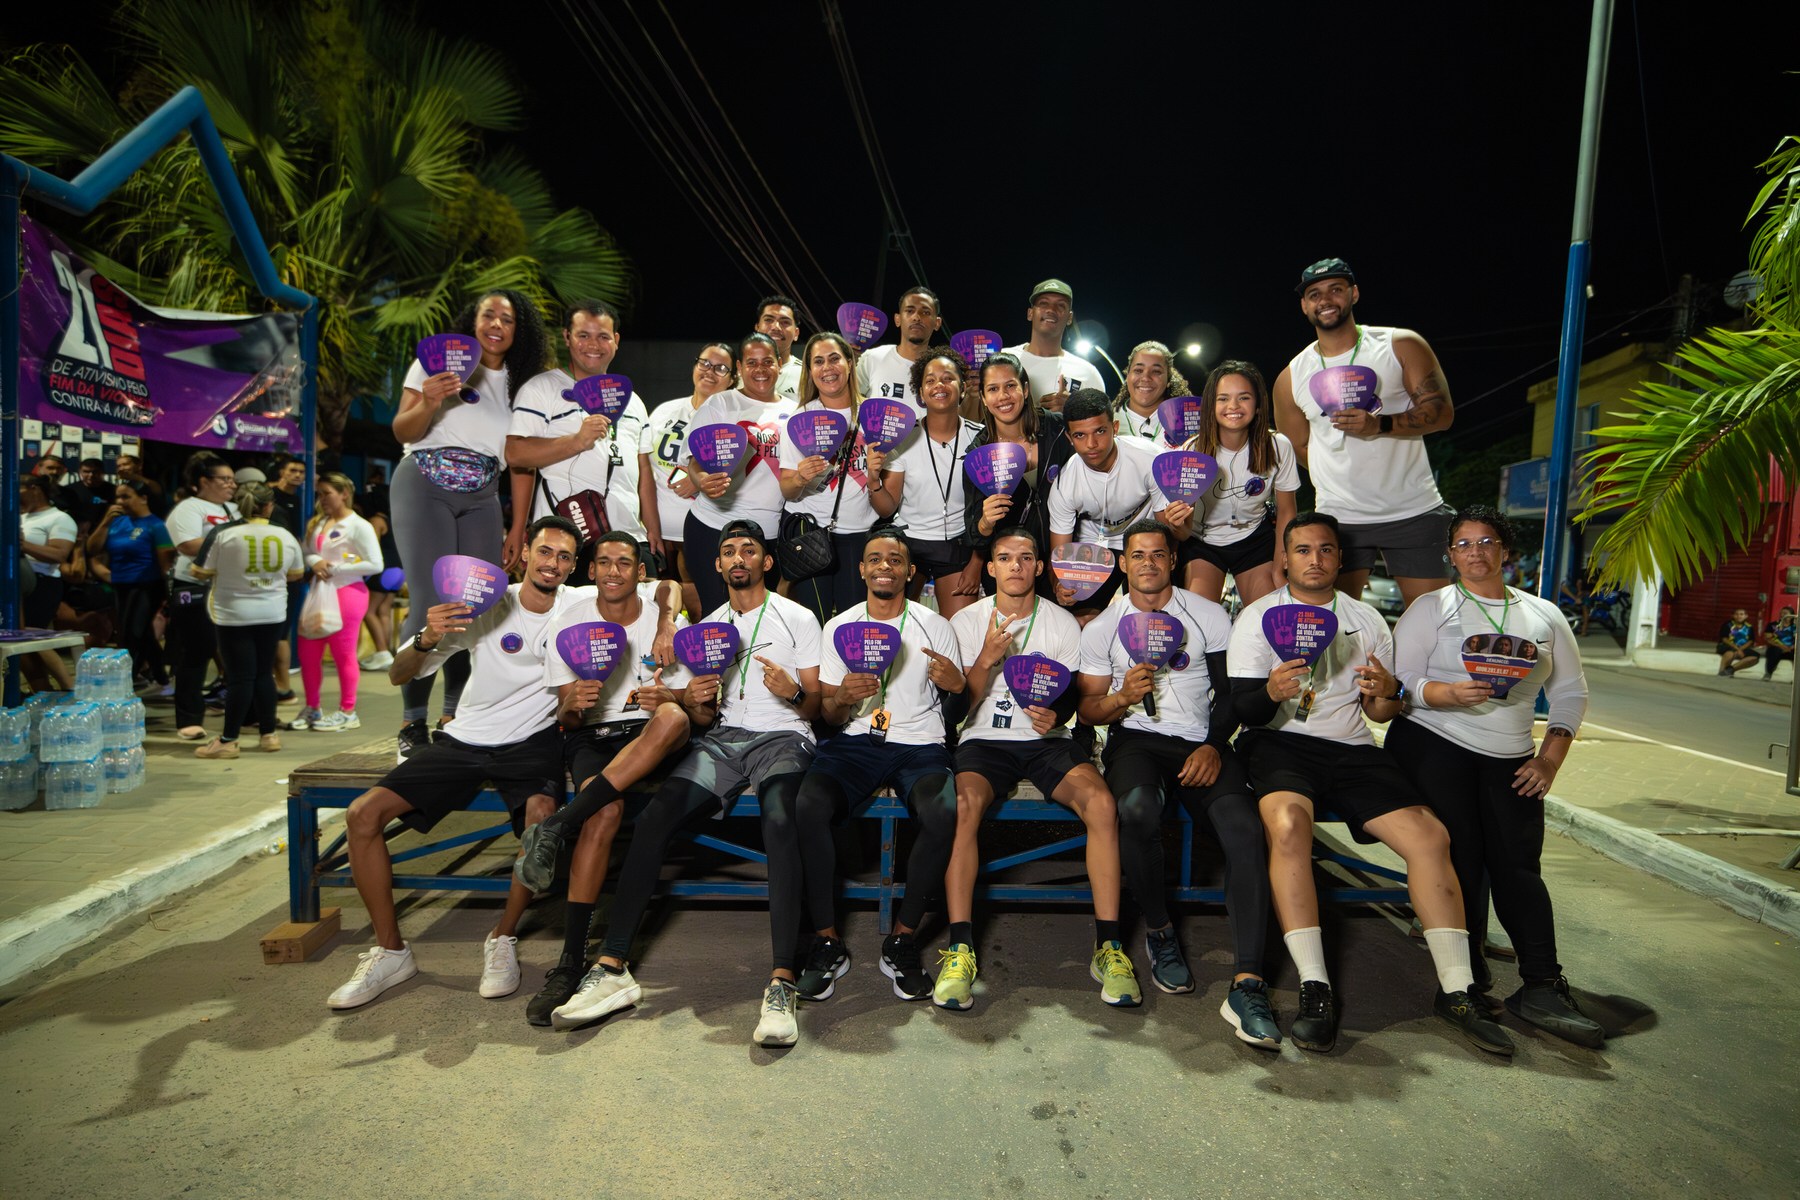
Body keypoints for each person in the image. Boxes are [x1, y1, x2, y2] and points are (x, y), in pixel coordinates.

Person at [1228, 511, 1511, 1056]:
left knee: (1431, 837)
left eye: (1325, 550)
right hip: (1280, 743)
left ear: (1340, 558)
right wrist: (1270, 692)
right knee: (1288, 826)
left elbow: (1380, 712)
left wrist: (1387, 692)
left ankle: (1458, 992)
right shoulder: (1259, 617)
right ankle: (1315, 987)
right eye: (1303, 550)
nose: (1315, 559)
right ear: (1284, 560)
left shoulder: (1367, 618)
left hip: (1353, 748)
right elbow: (1246, 711)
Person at [543, 520, 825, 1044]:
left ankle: (782, 981)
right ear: (717, 565)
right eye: (728, 551)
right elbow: (701, 717)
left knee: (779, 821)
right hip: (722, 742)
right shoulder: (706, 629)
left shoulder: (797, 617)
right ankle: (613, 967)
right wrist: (694, 701)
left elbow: (817, 708)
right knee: (653, 819)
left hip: (784, 738)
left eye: (748, 550)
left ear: (766, 562)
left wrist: (791, 692)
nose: (738, 558)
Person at [326, 516, 585, 1011]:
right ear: (524, 554)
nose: (553, 563)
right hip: (463, 739)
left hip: (532, 742)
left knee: (540, 821)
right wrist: (427, 636)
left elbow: (659, 590)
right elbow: (399, 674)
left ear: (574, 566)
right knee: (362, 814)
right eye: (545, 551)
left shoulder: (580, 604)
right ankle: (391, 952)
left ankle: (502, 938)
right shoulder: (486, 602)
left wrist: (665, 614)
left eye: (564, 556)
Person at [1389, 505, 1604, 1047]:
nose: (1475, 552)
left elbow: (1570, 691)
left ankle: (1542, 986)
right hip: (1435, 742)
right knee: (1459, 858)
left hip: (1512, 756)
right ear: (1450, 554)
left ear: (1505, 550)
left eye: (1486, 541)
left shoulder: (1544, 614)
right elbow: (1400, 680)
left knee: (1518, 867)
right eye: (1463, 544)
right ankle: (1462, 980)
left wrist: (1549, 758)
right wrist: (1445, 693)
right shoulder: (1430, 608)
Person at [1074, 521, 1280, 1039]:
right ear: (1123, 563)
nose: (1148, 563)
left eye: (1158, 554)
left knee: (1244, 830)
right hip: (1136, 741)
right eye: (1138, 555)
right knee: (1137, 811)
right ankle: (1160, 931)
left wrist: (1213, 744)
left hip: (1200, 743)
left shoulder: (1208, 614)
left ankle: (1249, 981)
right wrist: (1122, 697)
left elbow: (1230, 694)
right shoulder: (1102, 627)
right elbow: (1089, 709)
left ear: (1172, 561)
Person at [941, 527, 1139, 1009]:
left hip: (1045, 742)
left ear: (1039, 567)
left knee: (1102, 805)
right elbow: (955, 710)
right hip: (985, 739)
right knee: (963, 807)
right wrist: (986, 660)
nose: (1016, 565)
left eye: (1026, 557)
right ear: (991, 568)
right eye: (1005, 557)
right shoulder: (964, 621)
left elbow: (1068, 697)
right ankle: (960, 949)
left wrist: (1057, 714)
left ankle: (1109, 948)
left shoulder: (1062, 622)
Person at [512, 533, 695, 1027]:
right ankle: (570, 963)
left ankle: (556, 827)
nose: (614, 571)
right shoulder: (569, 623)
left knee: (673, 718)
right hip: (593, 735)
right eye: (605, 562)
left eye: (625, 563)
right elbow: (567, 719)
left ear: (640, 572)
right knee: (605, 810)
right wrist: (572, 705)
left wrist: (670, 696)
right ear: (590, 572)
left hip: (650, 732)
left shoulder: (664, 621)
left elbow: (690, 702)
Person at [785, 528, 965, 1006]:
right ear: (862, 569)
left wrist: (957, 686)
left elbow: (955, 709)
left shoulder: (935, 625)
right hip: (855, 742)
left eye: (895, 559)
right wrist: (841, 698)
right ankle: (827, 942)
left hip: (919, 745)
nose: (885, 565)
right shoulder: (839, 627)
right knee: (808, 805)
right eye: (875, 558)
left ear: (910, 571)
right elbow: (830, 717)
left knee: (944, 812)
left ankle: (902, 939)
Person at [391, 288, 547, 759]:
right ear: (472, 321)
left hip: (483, 494)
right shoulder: (437, 365)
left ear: (519, 330)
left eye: (508, 319)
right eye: (488, 315)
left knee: (474, 604)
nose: (497, 324)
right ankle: (412, 722)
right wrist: (429, 401)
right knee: (430, 602)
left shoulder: (522, 385)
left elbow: (521, 463)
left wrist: (517, 529)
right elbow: (402, 430)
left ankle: (453, 716)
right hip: (425, 483)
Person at [1272, 258, 1456, 609]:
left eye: (1336, 289)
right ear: (1304, 306)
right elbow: (1299, 446)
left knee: (1432, 620)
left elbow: (1442, 414)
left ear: (1354, 294)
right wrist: (1339, 475)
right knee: (1335, 624)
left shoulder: (1399, 344)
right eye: (1314, 294)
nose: (1325, 300)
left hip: (1413, 509)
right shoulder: (1291, 377)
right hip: (1339, 518)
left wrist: (1380, 425)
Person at [505, 300, 649, 579]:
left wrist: (651, 530)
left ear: (616, 340)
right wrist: (577, 441)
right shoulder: (542, 388)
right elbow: (516, 454)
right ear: (567, 337)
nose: (593, 344)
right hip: (564, 540)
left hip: (629, 538)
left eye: (603, 336)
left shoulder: (631, 400)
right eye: (583, 335)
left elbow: (643, 471)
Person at [777, 331, 899, 624]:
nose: (827, 368)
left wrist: (874, 477)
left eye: (834, 359)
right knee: (813, 623)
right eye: (818, 362)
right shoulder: (800, 419)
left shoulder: (875, 416)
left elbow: (887, 509)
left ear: (850, 363)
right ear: (810, 371)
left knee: (852, 625)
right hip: (810, 532)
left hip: (859, 536)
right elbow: (788, 491)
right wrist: (801, 478)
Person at [1047, 390, 1194, 615]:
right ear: (1069, 438)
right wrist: (1059, 586)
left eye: (1100, 431)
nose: (1091, 444)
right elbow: (1058, 555)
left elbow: (1170, 537)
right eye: (1080, 435)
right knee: (1080, 620)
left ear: (1115, 428)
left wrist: (1180, 526)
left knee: (1153, 613)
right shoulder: (1064, 485)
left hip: (1145, 543)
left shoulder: (1151, 460)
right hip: (1094, 547)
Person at [684, 332, 797, 615]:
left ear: (779, 364)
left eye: (768, 361)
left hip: (767, 534)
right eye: (751, 362)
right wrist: (701, 481)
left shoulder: (795, 411)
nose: (760, 369)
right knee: (717, 614)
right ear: (739, 367)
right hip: (712, 526)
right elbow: (694, 462)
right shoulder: (720, 404)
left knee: (759, 616)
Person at [190, 482, 304, 759]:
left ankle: (228, 741)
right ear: (269, 506)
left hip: (233, 614)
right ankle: (269, 735)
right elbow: (296, 574)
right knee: (264, 673)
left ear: (239, 505)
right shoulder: (285, 535)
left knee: (240, 678)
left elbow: (199, 571)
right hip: (272, 612)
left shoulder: (223, 533)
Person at [1185, 361, 1300, 607]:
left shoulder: (1278, 446)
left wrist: (1280, 566)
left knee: (1266, 615)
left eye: (1244, 397)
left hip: (1254, 540)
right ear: (1211, 405)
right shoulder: (1192, 449)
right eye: (1223, 398)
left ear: (1258, 405)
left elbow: (1287, 511)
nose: (1233, 406)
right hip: (1203, 543)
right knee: (1199, 618)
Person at [960, 352, 1074, 596]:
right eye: (993, 389)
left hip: (1060, 561)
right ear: (983, 398)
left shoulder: (1058, 429)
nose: (1003, 396)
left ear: (1025, 388)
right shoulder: (978, 455)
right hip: (1010, 568)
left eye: (1010, 386)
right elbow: (974, 535)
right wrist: (986, 521)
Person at [639, 342, 737, 619]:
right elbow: (644, 470)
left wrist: (698, 477)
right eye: (704, 363)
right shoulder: (665, 411)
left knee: (701, 611)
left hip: (700, 531)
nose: (709, 371)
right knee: (657, 612)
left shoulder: (734, 416)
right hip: (657, 532)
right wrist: (650, 526)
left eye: (720, 368)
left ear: (732, 378)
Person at [886, 347, 985, 618]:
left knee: (962, 630)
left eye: (948, 378)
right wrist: (873, 479)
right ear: (921, 392)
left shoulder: (981, 438)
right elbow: (885, 508)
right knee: (897, 624)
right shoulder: (903, 438)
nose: (939, 385)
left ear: (962, 388)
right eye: (930, 380)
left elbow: (988, 510)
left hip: (959, 545)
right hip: (909, 543)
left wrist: (977, 562)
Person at [290, 472, 383, 733]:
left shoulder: (359, 525)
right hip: (319, 592)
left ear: (344, 494)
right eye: (319, 494)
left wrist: (336, 568)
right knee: (308, 652)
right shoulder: (318, 522)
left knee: (343, 653)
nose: (322, 499)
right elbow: (307, 553)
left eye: (327, 493)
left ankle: (348, 711)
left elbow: (376, 564)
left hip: (348, 592)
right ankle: (312, 707)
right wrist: (314, 562)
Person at [165, 452, 240, 739]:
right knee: (196, 652)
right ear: (203, 481)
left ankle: (245, 714)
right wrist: (234, 543)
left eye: (232, 479)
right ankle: (188, 718)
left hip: (230, 587)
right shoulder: (189, 508)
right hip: (194, 587)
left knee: (237, 652)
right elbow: (188, 545)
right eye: (224, 479)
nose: (231, 484)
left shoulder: (234, 509)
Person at [85, 479, 173, 689]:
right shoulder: (116, 522)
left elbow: (166, 563)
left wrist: (169, 595)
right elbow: (92, 549)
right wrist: (105, 522)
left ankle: (128, 680)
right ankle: (161, 677)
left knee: (133, 633)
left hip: (147, 585)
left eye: (126, 496)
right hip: (121, 585)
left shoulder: (155, 525)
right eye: (117, 497)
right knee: (141, 633)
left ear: (143, 498)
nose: (120, 501)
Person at [1002, 279, 1106, 414]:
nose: (1051, 310)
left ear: (1069, 318)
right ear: (1030, 313)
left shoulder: (1087, 373)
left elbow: (1103, 422)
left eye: (1061, 305)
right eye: (1043, 303)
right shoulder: (1002, 359)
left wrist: (1074, 409)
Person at [18, 475, 78, 690]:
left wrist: (22, 545)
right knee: (20, 644)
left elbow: (59, 554)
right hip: (16, 584)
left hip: (41, 585)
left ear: (33, 488)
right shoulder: (19, 516)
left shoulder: (59, 518)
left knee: (29, 638)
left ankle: (67, 687)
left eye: (18, 488)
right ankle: (43, 692)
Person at [854, 285, 940, 411]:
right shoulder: (871, 358)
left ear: (937, 323)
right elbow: (849, 405)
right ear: (897, 319)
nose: (917, 317)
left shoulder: (943, 369)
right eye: (909, 311)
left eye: (926, 312)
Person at [266, 452, 306, 703]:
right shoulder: (270, 496)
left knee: (281, 631)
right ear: (281, 472)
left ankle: (282, 686)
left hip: (290, 574)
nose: (297, 476)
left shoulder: (299, 500)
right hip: (271, 571)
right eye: (293, 470)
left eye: (301, 472)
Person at [1111, 341, 1193, 444]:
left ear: (1169, 379)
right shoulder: (1107, 420)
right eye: (1138, 370)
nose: (1145, 378)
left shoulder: (1187, 423)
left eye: (1156, 371)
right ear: (1128, 376)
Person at [755, 295, 805, 399]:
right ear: (757, 328)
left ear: (796, 333)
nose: (776, 327)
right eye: (768, 320)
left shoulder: (808, 376)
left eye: (785, 322)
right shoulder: (739, 375)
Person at [60, 458, 113, 538]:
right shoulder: (69, 490)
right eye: (86, 472)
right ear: (80, 472)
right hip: (74, 534)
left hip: (104, 534)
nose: (91, 475)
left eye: (95, 472)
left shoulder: (113, 490)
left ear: (103, 472)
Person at [1717, 608, 1760, 676]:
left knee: (1754, 657)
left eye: (1741, 614)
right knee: (1730, 653)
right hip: (1728, 646)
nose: (1739, 616)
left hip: (1742, 648)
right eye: (1737, 614)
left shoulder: (1749, 627)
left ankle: (1731, 669)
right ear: (1733, 616)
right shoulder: (1727, 625)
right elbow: (1725, 639)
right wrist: (1737, 649)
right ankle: (1722, 671)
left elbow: (1750, 641)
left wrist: (1740, 649)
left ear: (1746, 616)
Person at [1762, 606, 1796, 680]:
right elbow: (1767, 638)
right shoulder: (1773, 625)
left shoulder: (1796, 626)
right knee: (1774, 651)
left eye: (1785, 613)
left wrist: (1791, 647)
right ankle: (1768, 673)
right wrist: (1781, 646)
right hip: (1777, 647)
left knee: (1797, 653)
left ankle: (1796, 678)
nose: (1782, 615)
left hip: (1791, 649)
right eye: (1781, 613)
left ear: (1791, 616)